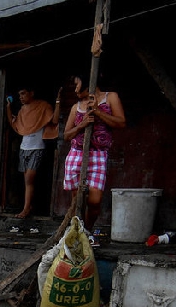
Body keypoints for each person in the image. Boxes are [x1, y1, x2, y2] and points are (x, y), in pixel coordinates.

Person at [62, 75, 126, 234]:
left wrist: (97, 112)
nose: (75, 89)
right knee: (78, 201)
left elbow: (121, 123)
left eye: (77, 84)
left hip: (98, 156)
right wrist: (81, 126)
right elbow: (66, 135)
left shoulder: (110, 97)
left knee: (95, 201)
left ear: (89, 82)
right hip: (76, 155)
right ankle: (78, 234)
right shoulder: (75, 107)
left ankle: (87, 230)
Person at [6, 84, 62, 218]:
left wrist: (58, 101)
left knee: (29, 180)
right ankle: (28, 206)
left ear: (32, 93)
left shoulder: (43, 106)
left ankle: (26, 209)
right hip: (23, 149)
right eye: (19, 95)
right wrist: (8, 108)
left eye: (23, 93)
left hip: (37, 148)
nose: (21, 97)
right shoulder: (22, 110)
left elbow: (54, 120)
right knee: (26, 180)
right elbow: (14, 125)